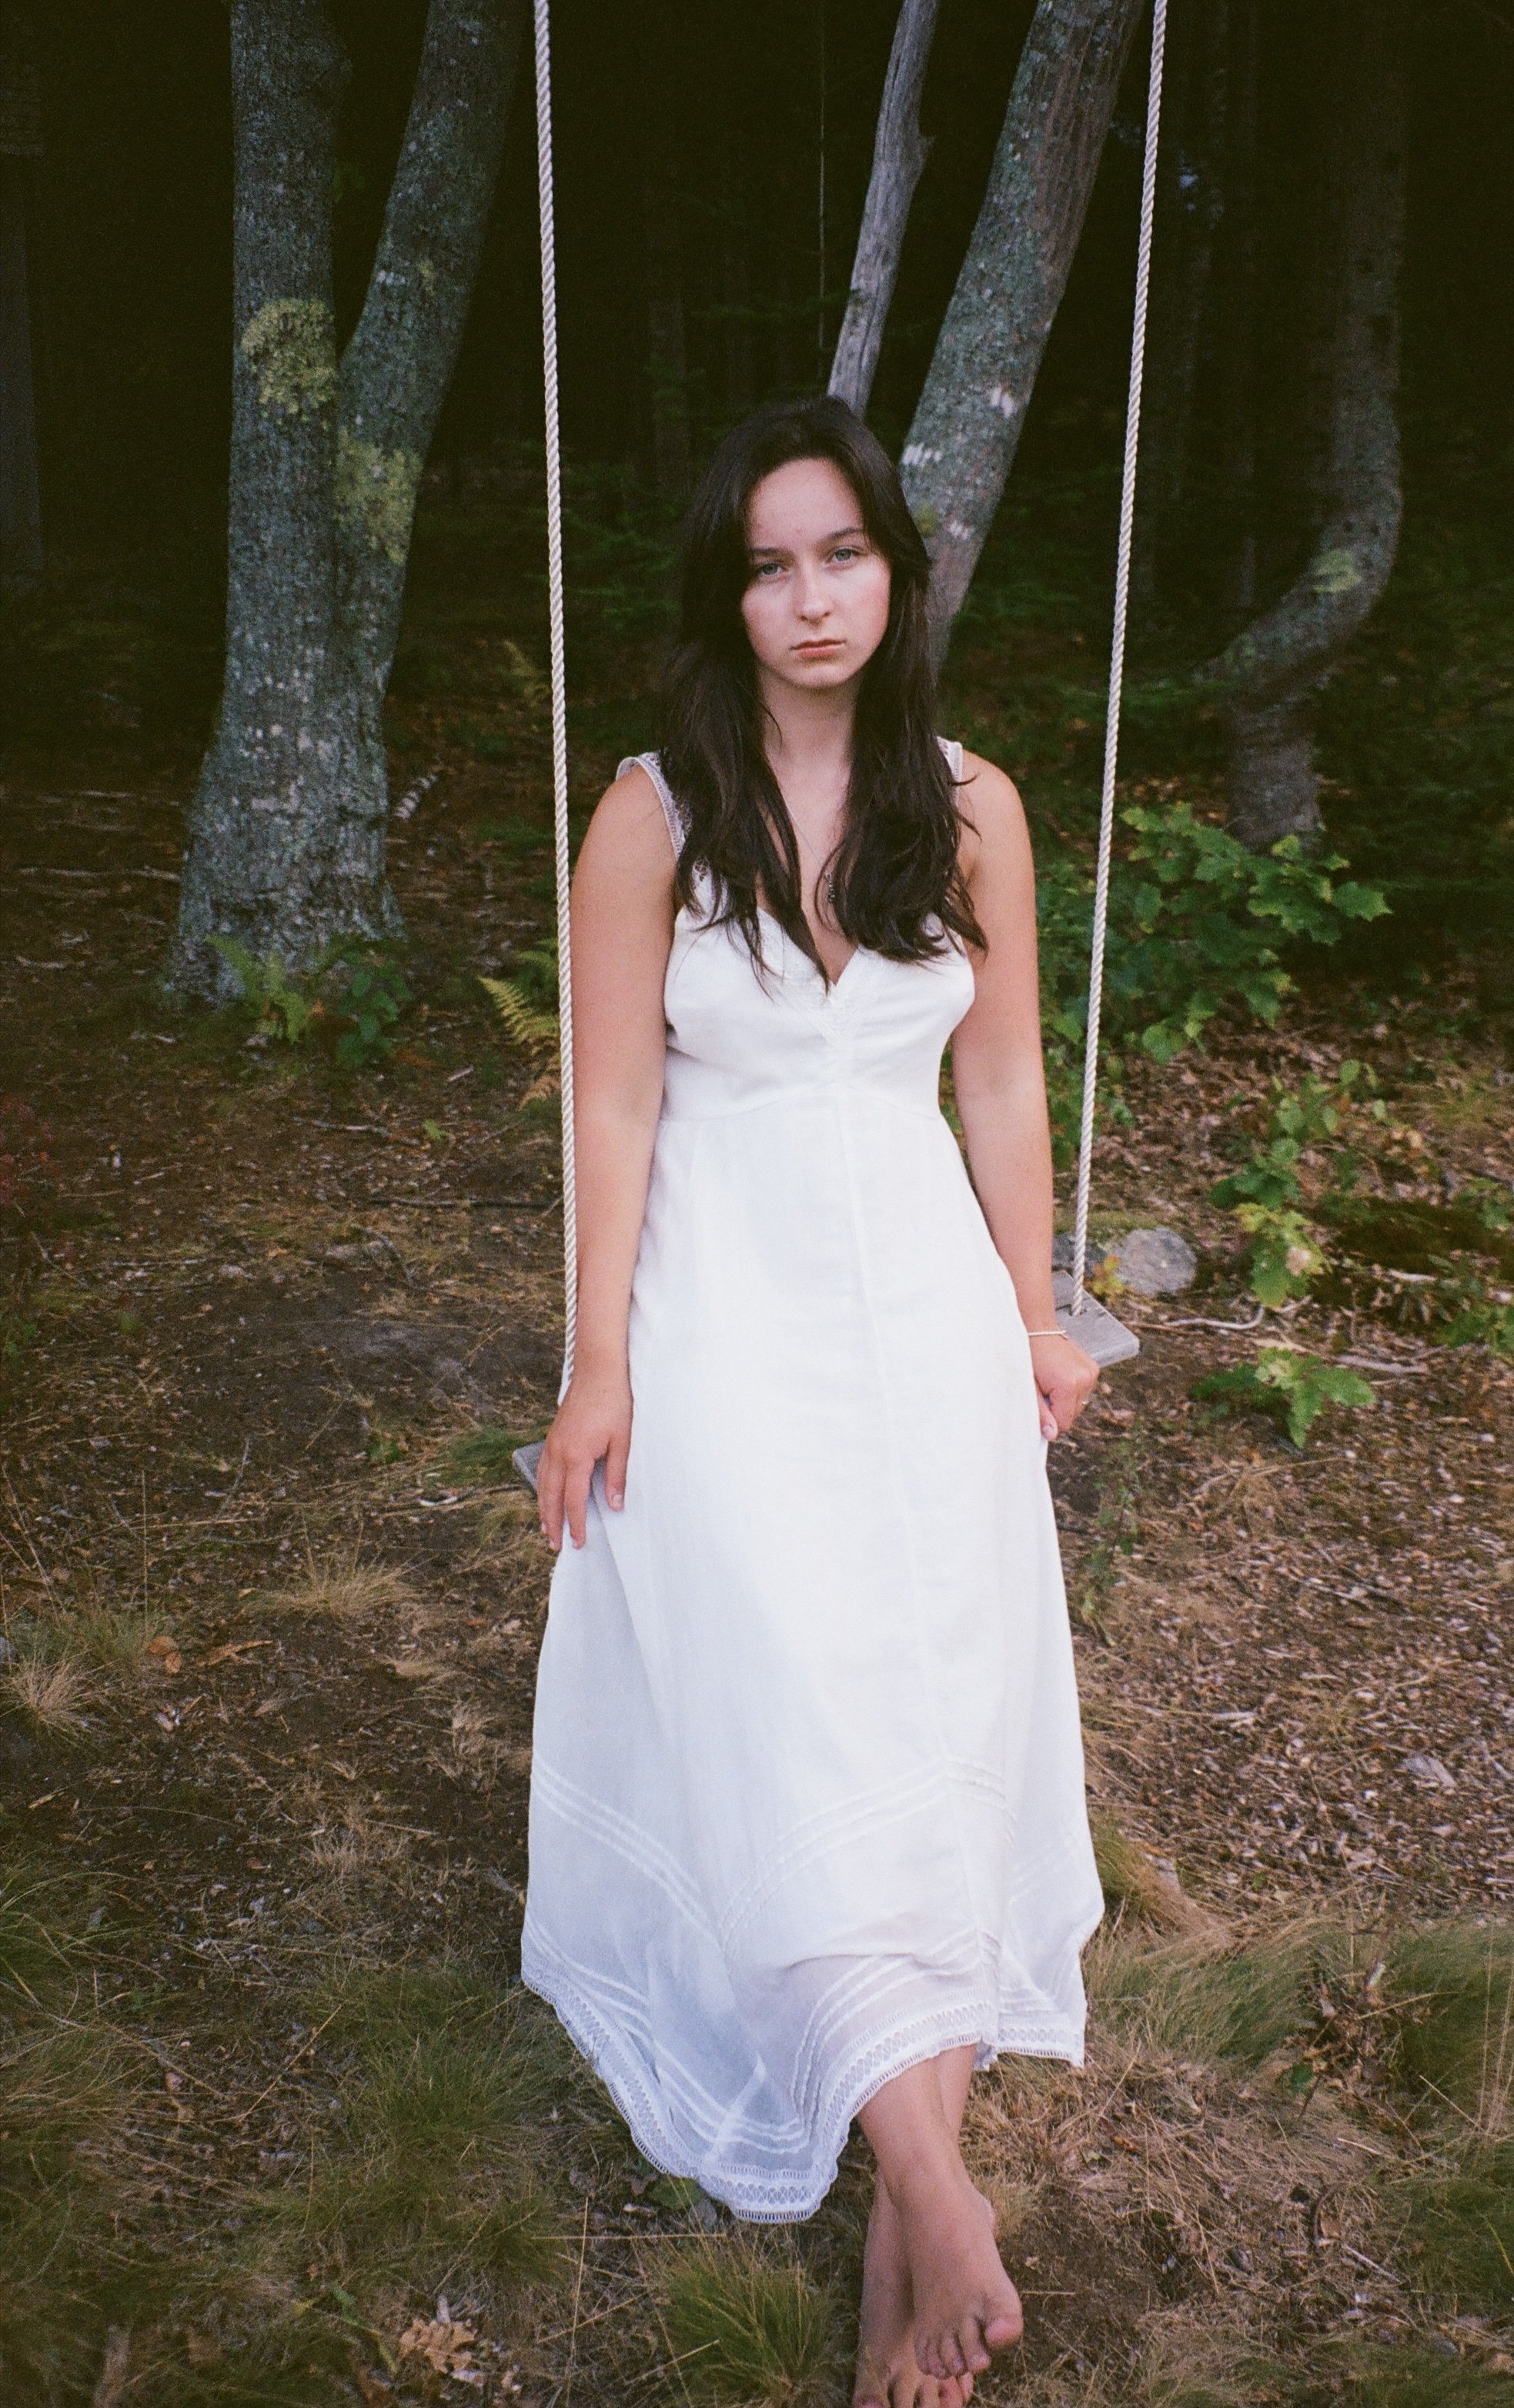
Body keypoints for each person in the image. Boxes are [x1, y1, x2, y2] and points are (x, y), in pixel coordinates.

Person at [523, 396, 1104, 2408]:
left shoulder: (971, 805)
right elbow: (611, 1103)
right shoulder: (652, 817)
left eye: (840, 553)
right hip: (725, 1305)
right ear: (729, 597)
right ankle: (936, 2187)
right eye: (769, 566)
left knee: (927, 1717)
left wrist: (1035, 1314)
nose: (810, 599)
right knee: (786, 1708)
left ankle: (901, 2240)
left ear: (893, 570)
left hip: (923, 1305)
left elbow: (999, 1080)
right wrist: (598, 1362)